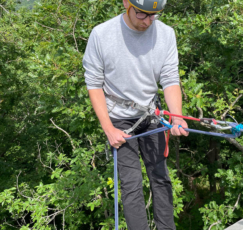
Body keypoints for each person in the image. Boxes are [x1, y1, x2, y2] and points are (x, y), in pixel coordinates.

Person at [83, 0, 188, 229]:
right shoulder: (102, 34)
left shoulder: (166, 34)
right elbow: (94, 84)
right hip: (119, 118)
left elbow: (170, 79)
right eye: (142, 15)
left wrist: (177, 117)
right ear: (126, 4)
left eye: (154, 15)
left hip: (151, 113)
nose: (148, 22)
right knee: (131, 184)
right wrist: (108, 129)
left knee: (161, 178)